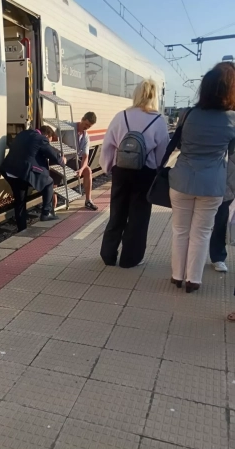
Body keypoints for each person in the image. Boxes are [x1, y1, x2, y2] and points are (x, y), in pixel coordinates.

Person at [169, 62, 235, 293]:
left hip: (181, 180)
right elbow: (232, 154)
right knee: (202, 232)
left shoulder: (187, 114)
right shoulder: (232, 119)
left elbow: (178, 144)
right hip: (212, 184)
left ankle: (177, 276)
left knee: (180, 230)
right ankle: (193, 280)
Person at [99, 79, 169, 268]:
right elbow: (163, 152)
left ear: (136, 94)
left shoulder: (121, 116)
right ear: (154, 97)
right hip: (145, 173)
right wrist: (158, 169)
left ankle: (108, 255)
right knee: (139, 216)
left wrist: (108, 167)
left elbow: (108, 145)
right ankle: (130, 259)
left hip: (121, 171)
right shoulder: (158, 120)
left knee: (117, 212)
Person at [0, 126, 66, 232]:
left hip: (10, 171)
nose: (48, 143)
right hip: (22, 172)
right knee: (49, 182)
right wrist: (62, 160)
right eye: (49, 140)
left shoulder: (23, 134)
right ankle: (46, 213)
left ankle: (22, 229)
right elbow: (52, 154)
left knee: (20, 202)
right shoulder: (41, 139)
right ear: (47, 135)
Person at [60, 112, 98, 211]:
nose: (86, 128)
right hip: (59, 159)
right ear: (82, 119)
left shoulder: (85, 136)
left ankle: (88, 200)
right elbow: (56, 138)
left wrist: (81, 169)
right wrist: (61, 154)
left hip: (72, 160)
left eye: (89, 126)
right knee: (54, 182)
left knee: (87, 170)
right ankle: (50, 206)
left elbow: (85, 156)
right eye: (86, 124)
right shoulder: (68, 126)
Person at [210, 151, 235, 272]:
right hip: (204, 187)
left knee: (221, 223)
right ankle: (189, 256)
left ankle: (218, 257)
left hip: (228, 191)